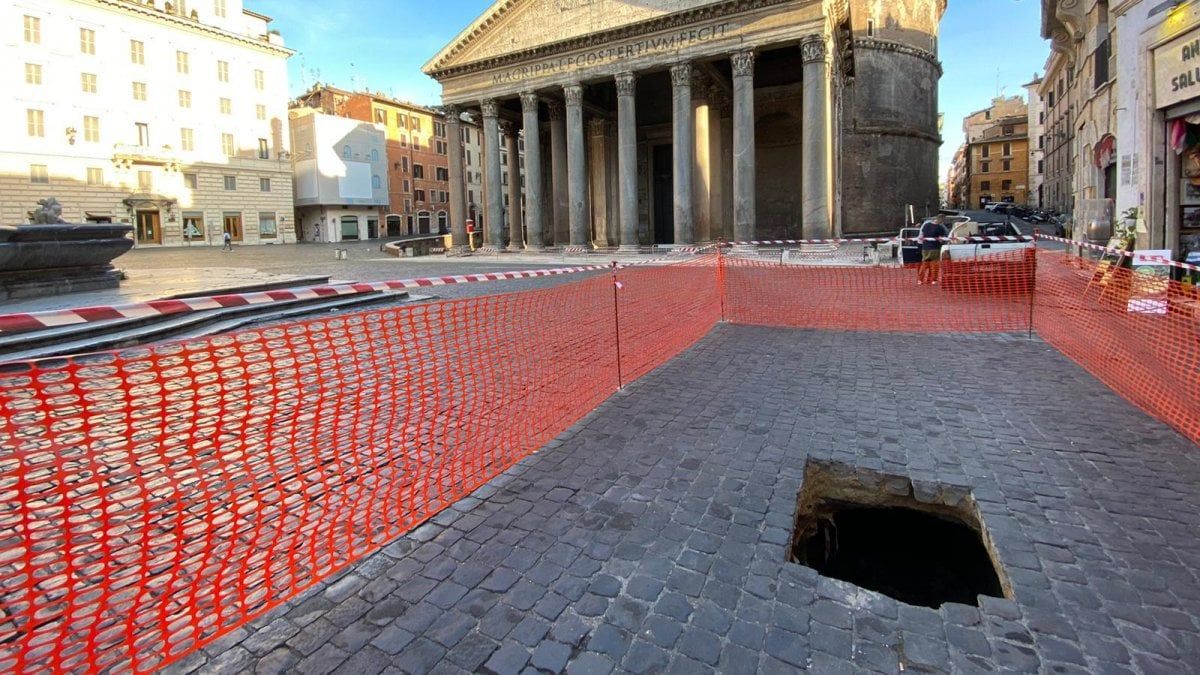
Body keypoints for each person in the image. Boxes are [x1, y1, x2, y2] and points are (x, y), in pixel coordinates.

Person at [917, 215, 948, 285]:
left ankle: (920, 280)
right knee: (934, 265)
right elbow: (941, 239)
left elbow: (921, 236)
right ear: (941, 220)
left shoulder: (926, 225)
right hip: (935, 248)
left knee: (924, 264)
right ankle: (933, 280)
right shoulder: (940, 228)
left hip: (925, 248)